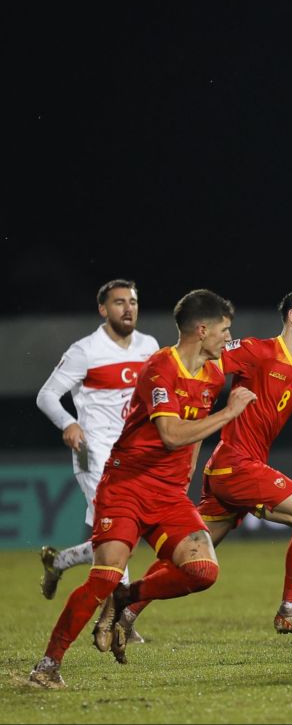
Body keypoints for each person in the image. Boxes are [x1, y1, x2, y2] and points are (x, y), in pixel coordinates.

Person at [28, 289, 256, 689]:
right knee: (102, 575)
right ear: (202, 330)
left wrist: (188, 471)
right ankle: (47, 666)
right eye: (224, 330)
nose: (227, 337)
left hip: (168, 492)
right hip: (125, 485)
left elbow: (192, 432)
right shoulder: (159, 368)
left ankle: (127, 598)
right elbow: (169, 434)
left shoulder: (214, 374)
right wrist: (229, 413)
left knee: (203, 571)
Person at [119, 288, 292, 641]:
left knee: (193, 553)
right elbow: (204, 362)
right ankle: (291, 610)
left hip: (231, 470)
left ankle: (124, 611)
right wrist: (181, 413)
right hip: (235, 463)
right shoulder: (256, 350)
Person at [35, 279, 159, 609]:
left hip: (134, 454)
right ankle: (120, 614)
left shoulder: (149, 346)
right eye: (119, 302)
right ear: (103, 310)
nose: (128, 307)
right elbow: (46, 395)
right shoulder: (85, 351)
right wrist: (69, 422)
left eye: (132, 301)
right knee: (118, 530)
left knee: (113, 535)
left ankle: (58, 562)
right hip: (92, 451)